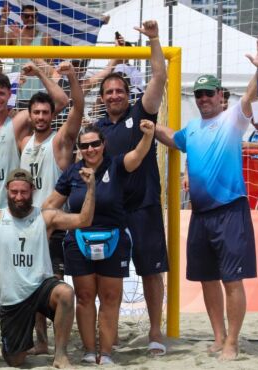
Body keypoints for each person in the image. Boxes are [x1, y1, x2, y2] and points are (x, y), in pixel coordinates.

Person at [155, 38, 258, 360]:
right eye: (199, 94)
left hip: (230, 211)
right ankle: (219, 337)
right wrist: (151, 127)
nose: (204, 98)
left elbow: (251, 95)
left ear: (221, 96)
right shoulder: (192, 129)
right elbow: (171, 137)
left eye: (209, 93)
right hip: (201, 215)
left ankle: (233, 342)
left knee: (232, 280)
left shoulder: (233, 118)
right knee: (207, 279)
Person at [0, 64, 68, 323]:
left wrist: (40, 73)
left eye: (1, 94)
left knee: (21, 271)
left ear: (9, 95)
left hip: (11, 209)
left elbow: (61, 101)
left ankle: (23, 326)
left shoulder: (19, 121)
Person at [44, 120, 155, 364]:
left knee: (110, 298)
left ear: (103, 145)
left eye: (95, 144)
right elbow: (50, 205)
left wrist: (147, 136)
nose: (90, 149)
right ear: (80, 149)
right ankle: (88, 351)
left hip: (114, 239)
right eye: (85, 146)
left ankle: (105, 354)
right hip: (79, 241)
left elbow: (137, 156)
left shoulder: (115, 165)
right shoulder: (72, 173)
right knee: (84, 297)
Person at [0, 168, 95, 368]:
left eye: (23, 192)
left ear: (32, 190)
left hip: (41, 287)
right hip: (13, 297)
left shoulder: (46, 217)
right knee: (15, 360)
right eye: (14, 192)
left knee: (66, 292)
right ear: (7, 190)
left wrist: (91, 187)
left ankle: (60, 355)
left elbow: (84, 220)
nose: (18, 197)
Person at [93, 20, 169, 355]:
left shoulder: (141, 113)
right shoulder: (95, 131)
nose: (114, 95)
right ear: (103, 97)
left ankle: (155, 331)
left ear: (127, 95)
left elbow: (160, 78)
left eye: (119, 91)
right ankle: (112, 332)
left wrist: (153, 40)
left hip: (144, 204)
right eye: (108, 92)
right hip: (111, 212)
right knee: (109, 276)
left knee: (152, 272)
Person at [18, 61, 84, 353]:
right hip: (27, 224)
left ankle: (60, 345)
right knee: (30, 284)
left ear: (51, 115)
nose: (42, 116)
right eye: (37, 112)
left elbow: (76, 108)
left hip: (55, 225)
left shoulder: (59, 142)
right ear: (30, 115)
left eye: (46, 112)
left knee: (56, 285)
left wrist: (45, 74)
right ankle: (41, 342)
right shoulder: (23, 143)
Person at [0, 3, 53, 109]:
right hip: (18, 89)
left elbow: (50, 67)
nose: (30, 18)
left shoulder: (45, 37)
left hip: (39, 90)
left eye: (33, 16)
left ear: (37, 18)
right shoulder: (14, 35)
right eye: (27, 16)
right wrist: (3, 19)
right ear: (21, 17)